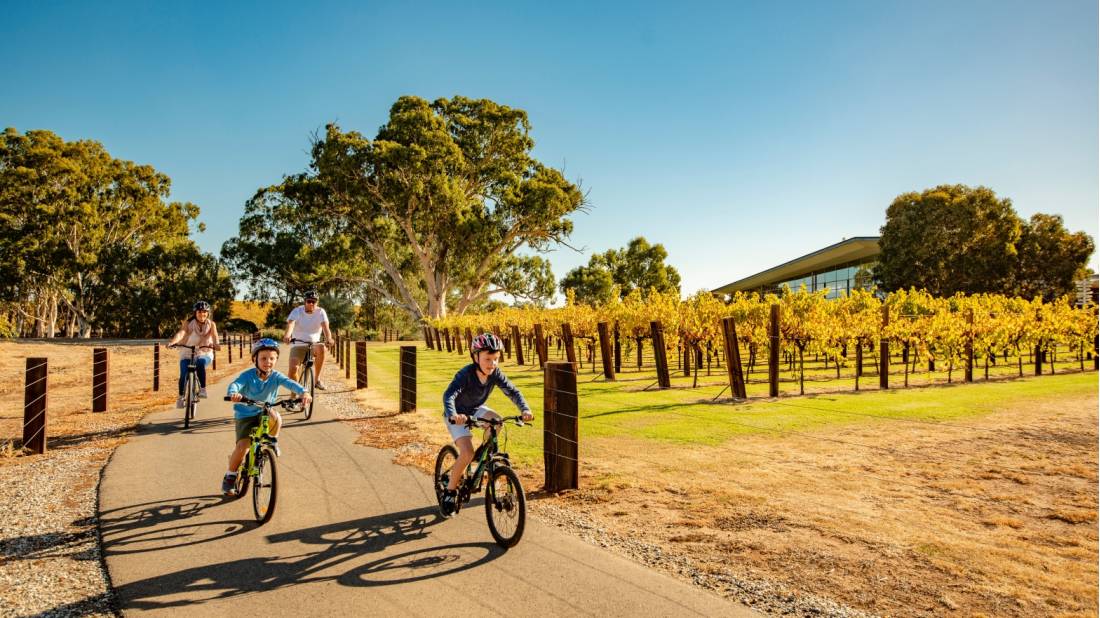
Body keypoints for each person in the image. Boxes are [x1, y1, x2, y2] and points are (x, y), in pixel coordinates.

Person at [440, 332, 534, 516]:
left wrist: (525, 409)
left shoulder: (495, 373)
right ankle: (450, 492)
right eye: (488, 359)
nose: (492, 364)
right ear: (476, 357)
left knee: (497, 421)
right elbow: (448, 395)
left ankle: (482, 454)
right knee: (466, 453)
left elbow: (513, 392)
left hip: (475, 409)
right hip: (458, 413)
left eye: (496, 359)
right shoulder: (465, 374)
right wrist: (453, 415)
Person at [223, 338, 311, 495]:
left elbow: (290, 383)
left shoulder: (276, 376)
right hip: (245, 414)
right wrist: (233, 393)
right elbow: (235, 384)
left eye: (272, 358)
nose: (268, 362)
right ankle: (230, 476)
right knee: (243, 447)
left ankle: (272, 441)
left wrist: (303, 392)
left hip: (264, 410)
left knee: (275, 416)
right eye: (263, 358)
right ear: (255, 359)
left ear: (276, 360)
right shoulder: (248, 376)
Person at [166, 301, 221, 408]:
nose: (202, 314)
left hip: (205, 352)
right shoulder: (189, 323)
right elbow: (181, 333)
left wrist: (216, 345)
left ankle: (203, 389)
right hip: (187, 352)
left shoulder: (211, 324)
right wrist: (172, 342)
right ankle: (181, 397)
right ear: (195, 313)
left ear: (208, 313)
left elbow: (215, 336)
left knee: (200, 363)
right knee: (184, 373)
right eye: (199, 312)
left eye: (204, 312)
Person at [283, 290, 334, 389]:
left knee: (322, 348)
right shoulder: (297, 311)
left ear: (317, 302)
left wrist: (329, 338)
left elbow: (325, 327)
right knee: (293, 370)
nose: (311, 304)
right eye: (309, 301)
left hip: (314, 345)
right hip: (298, 345)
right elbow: (291, 324)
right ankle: (296, 392)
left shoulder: (321, 312)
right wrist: (287, 335)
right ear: (305, 301)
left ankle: (317, 380)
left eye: (314, 302)